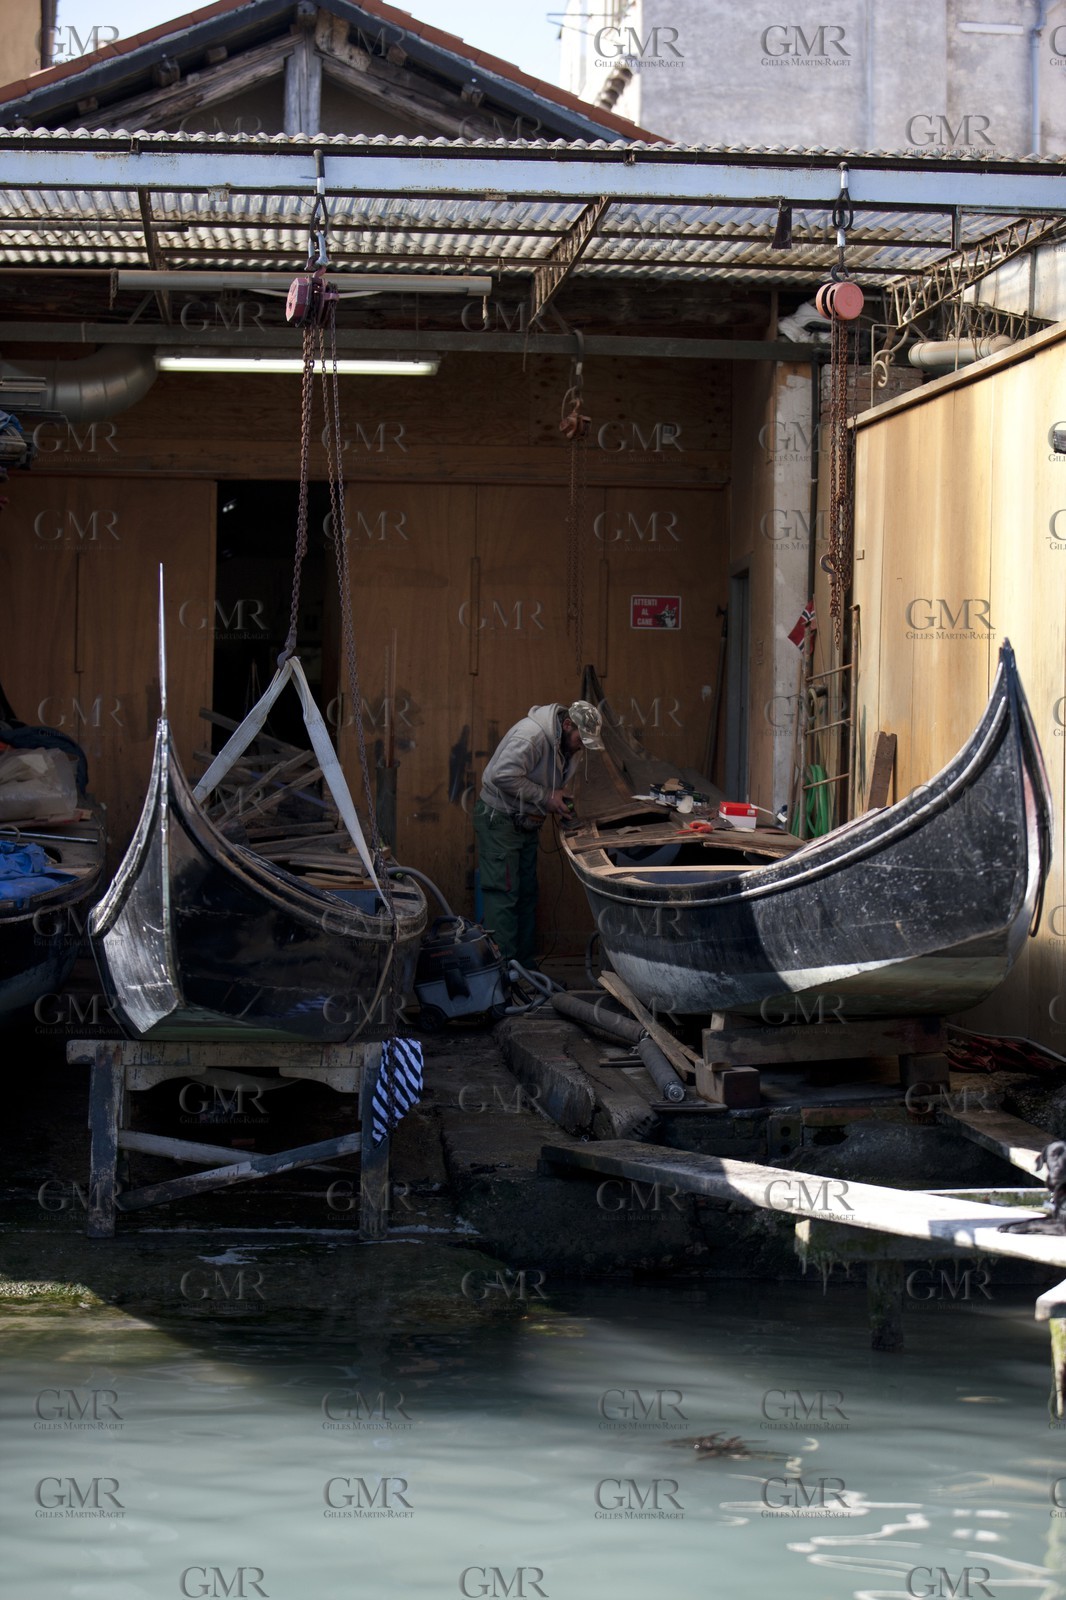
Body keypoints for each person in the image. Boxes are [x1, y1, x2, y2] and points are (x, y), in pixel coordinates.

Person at [474, 700, 604, 966]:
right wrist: (547, 796)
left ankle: (524, 971)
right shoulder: (531, 736)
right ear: (567, 725)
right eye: (581, 739)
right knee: (504, 895)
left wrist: (558, 800)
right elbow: (503, 775)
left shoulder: (570, 744)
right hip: (500, 819)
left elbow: (549, 781)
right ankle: (504, 976)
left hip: (526, 821)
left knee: (526, 894)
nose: (582, 746)